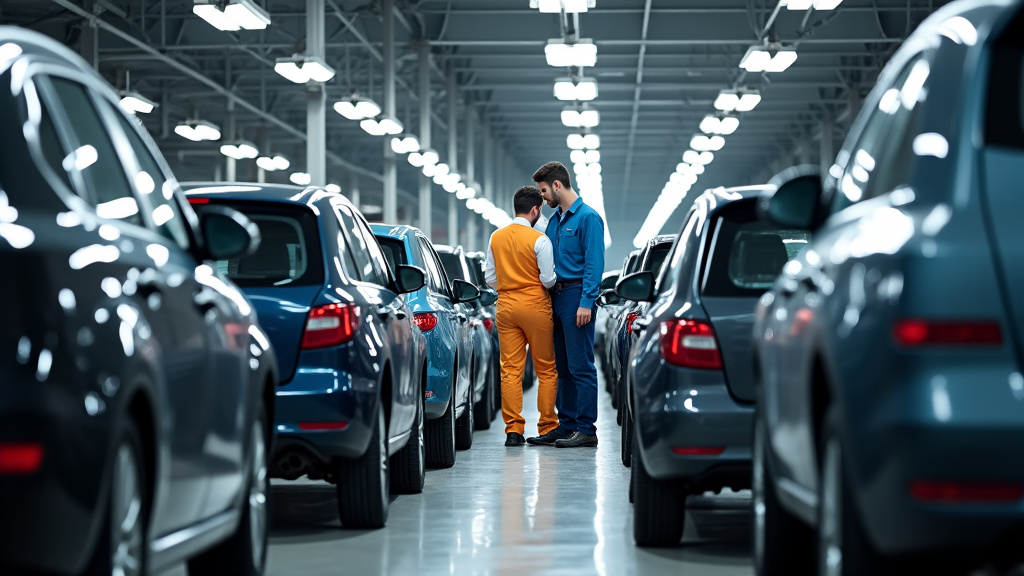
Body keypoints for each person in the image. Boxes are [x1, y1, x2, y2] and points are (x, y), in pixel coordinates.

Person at [529, 161, 605, 448]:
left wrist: (587, 301)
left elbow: (594, 264)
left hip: (576, 298)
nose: (543, 197)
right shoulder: (555, 222)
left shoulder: (588, 218)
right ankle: (567, 424)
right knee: (561, 366)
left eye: (545, 190)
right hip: (555, 298)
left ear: (558, 185)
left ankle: (586, 429)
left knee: (580, 365)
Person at [485, 186, 559, 447]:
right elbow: (549, 280)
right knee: (546, 369)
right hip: (535, 305)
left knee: (510, 370)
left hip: (505, 307)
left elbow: (489, 278)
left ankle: (513, 430)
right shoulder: (540, 239)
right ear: (536, 210)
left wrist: (509, 283)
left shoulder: (496, 237)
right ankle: (548, 425)